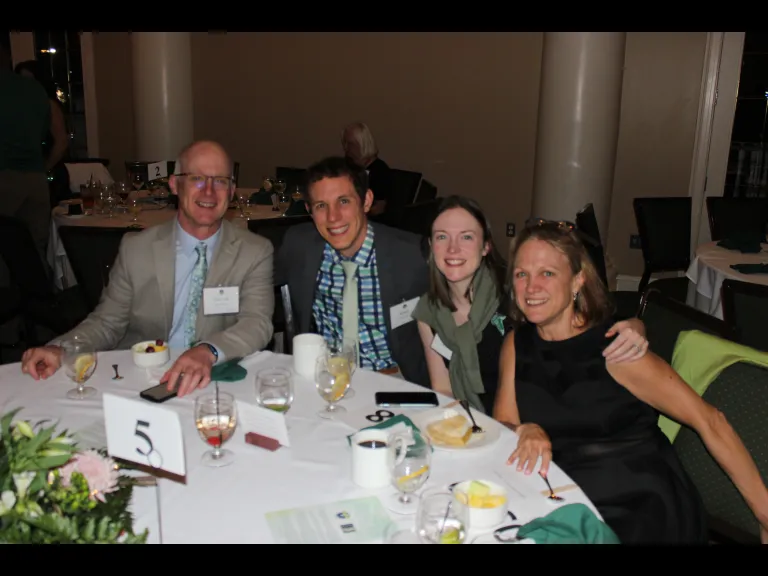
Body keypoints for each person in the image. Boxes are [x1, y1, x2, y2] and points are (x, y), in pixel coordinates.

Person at [495, 220, 768, 544]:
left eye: (547, 273)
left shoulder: (617, 348)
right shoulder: (516, 344)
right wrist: (524, 429)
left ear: (577, 281)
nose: (531, 287)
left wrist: (765, 515)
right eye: (522, 274)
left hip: (641, 502)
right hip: (567, 495)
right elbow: (504, 423)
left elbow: (709, 420)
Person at [20, 140, 275, 397]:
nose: (208, 191)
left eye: (219, 180)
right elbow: (107, 322)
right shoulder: (137, 248)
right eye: (196, 178)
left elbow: (257, 323)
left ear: (232, 191)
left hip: (214, 378)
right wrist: (62, 349)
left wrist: (208, 351)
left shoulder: (254, 251)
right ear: (175, 184)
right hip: (139, 378)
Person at [413, 196, 650, 415]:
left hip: (536, 422)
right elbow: (443, 389)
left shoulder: (520, 293)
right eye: (442, 236)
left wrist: (635, 325)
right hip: (477, 427)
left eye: (466, 236)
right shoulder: (428, 312)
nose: (453, 249)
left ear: (486, 246)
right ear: (431, 247)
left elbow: (591, 326)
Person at [276, 155, 429, 387]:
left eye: (344, 201)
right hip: (326, 376)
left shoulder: (412, 255)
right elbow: (252, 281)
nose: (333, 217)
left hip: (395, 379)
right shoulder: (300, 246)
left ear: (366, 201)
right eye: (321, 206)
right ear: (309, 210)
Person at [0, 45, 53, 265]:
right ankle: (41, 296)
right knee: (36, 245)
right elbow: (43, 132)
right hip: (35, 177)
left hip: (4, 176)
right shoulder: (35, 90)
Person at [14, 60, 69, 175]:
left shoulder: (48, 104)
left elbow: (61, 141)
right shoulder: (19, 107)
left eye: (29, 80)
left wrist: (45, 168)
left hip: (49, 172)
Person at [341, 122, 393, 219]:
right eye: (345, 143)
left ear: (362, 144)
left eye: (351, 144)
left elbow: (379, 208)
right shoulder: (346, 167)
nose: (346, 148)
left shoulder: (379, 171)